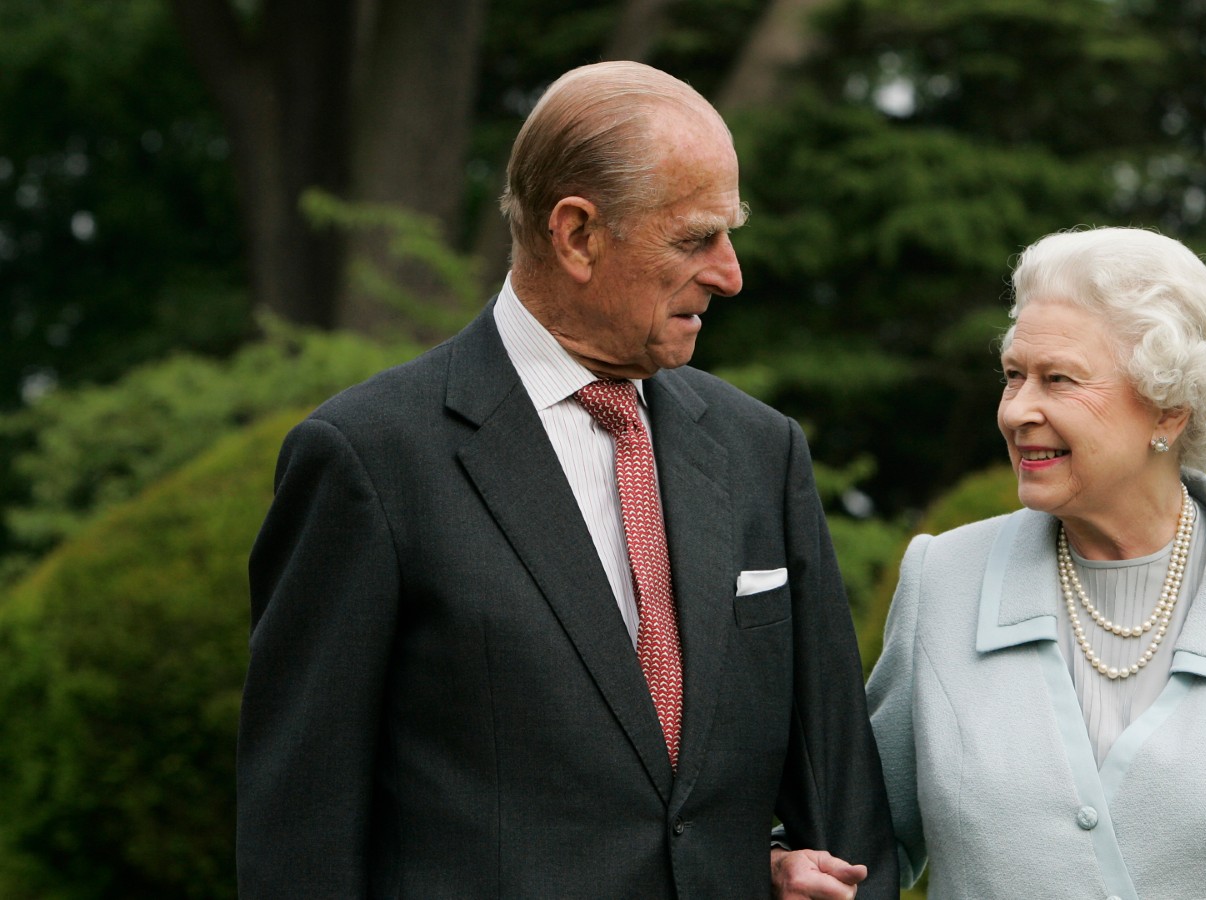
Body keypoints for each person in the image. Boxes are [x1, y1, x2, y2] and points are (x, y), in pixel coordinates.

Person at [238, 61, 895, 899]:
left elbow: (842, 809)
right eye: (696, 237)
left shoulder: (761, 451)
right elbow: (300, 840)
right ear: (577, 234)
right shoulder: (368, 459)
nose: (730, 273)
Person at [778, 226, 1206, 898]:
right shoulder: (944, 581)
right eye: (1014, 376)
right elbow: (859, 844)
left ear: (1168, 411)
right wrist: (787, 866)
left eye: (1058, 380)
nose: (1018, 410)